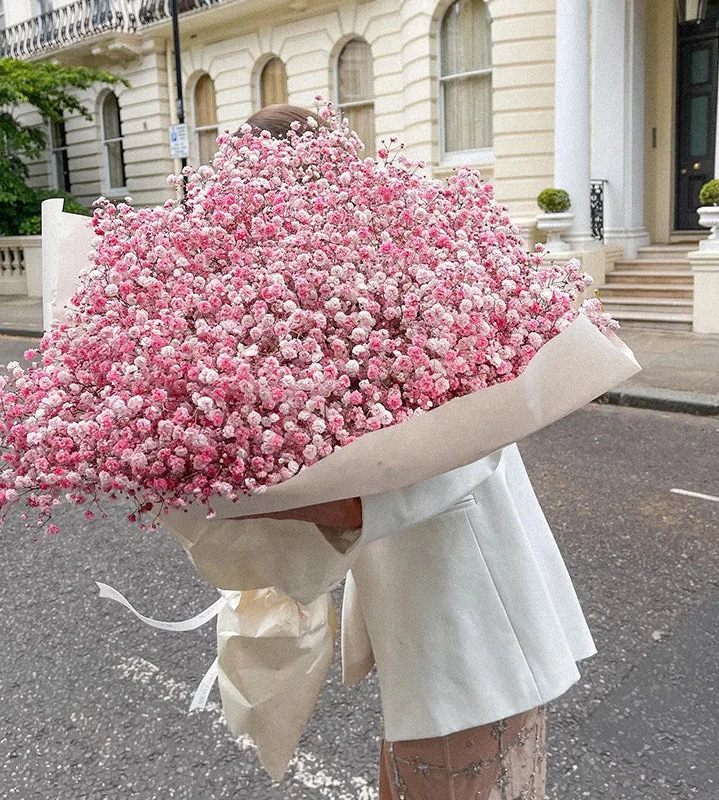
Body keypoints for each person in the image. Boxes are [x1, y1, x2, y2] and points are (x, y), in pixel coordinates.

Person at [236, 105, 596, 800]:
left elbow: (467, 446)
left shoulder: (404, 269)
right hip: (432, 634)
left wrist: (301, 505)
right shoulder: (328, 286)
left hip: (474, 629)